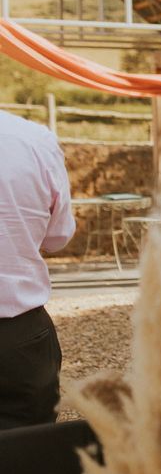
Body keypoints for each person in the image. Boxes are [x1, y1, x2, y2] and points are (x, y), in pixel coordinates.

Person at [0, 111, 75, 429]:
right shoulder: (34, 140)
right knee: (26, 459)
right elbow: (58, 238)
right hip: (18, 337)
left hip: (18, 336)